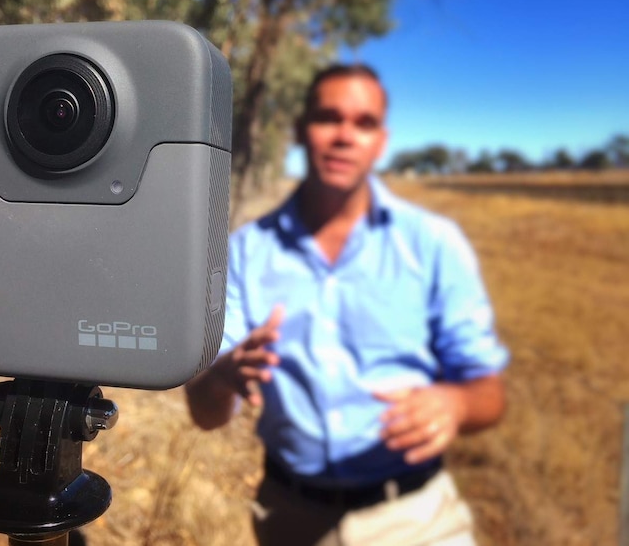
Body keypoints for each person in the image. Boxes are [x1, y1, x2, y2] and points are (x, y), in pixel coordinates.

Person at [185, 64, 509, 546]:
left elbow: (490, 394)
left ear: (382, 141)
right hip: (290, 518)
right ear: (300, 130)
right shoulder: (247, 252)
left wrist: (456, 403)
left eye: (364, 123)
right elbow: (205, 414)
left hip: (418, 519)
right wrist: (224, 374)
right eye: (328, 117)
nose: (344, 137)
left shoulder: (434, 244)